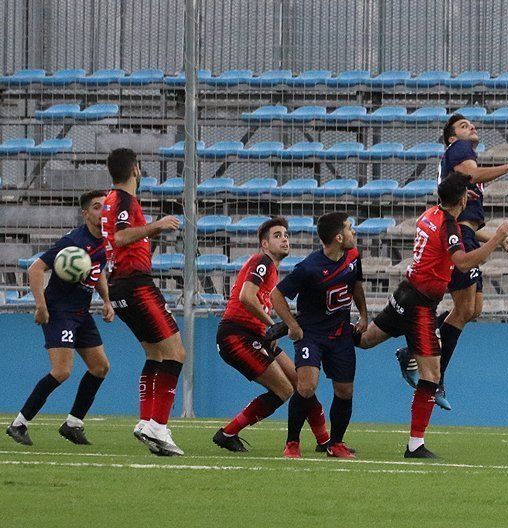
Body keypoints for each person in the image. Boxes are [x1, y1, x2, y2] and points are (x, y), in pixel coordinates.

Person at [356, 173, 508, 458]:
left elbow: (452, 237)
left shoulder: (430, 214)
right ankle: (415, 445)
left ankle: (324, 326)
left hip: (406, 292)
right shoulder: (448, 225)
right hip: (420, 304)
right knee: (431, 375)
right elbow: (463, 263)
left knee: (365, 340)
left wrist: (491, 240)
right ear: (463, 199)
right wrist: (497, 239)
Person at [395, 114, 508, 410]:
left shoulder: (460, 162)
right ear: (452, 138)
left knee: (472, 308)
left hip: (466, 234)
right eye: (464, 126)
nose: (472, 128)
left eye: (472, 124)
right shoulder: (460, 150)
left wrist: (495, 238)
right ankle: (426, 363)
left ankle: (413, 351)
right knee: (465, 308)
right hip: (458, 238)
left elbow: (469, 219)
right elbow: (474, 176)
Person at [212, 217, 331, 453]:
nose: (284, 238)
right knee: (285, 390)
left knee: (301, 383)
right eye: (277, 235)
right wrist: (273, 324)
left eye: (286, 234)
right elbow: (246, 297)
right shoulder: (262, 261)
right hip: (237, 335)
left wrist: (270, 329)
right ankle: (228, 433)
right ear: (264, 244)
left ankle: (324, 440)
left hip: (254, 336)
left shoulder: (271, 269)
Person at [6, 191, 114, 446]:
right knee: (62, 371)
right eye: (96, 207)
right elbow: (35, 269)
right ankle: (19, 424)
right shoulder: (72, 242)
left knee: (100, 367)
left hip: (81, 312)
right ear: (85, 213)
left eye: (105, 208)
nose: (102, 212)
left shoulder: (104, 242)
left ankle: (73, 424)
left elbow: (96, 271)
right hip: (60, 311)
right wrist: (41, 306)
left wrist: (107, 301)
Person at [101, 148, 186, 456]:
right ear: (135, 169)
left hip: (120, 284)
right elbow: (122, 238)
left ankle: (146, 421)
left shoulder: (110, 200)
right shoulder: (123, 200)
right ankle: (158, 425)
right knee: (176, 353)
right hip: (136, 283)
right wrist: (158, 225)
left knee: (155, 353)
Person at [270, 212, 368, 459]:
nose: (353, 232)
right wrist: (292, 325)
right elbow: (276, 295)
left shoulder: (354, 257)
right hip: (311, 335)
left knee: (345, 391)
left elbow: (356, 285)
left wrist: (364, 316)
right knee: (307, 386)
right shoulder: (309, 268)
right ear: (338, 237)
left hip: (341, 334)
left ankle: (335, 444)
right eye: (349, 228)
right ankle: (292, 443)